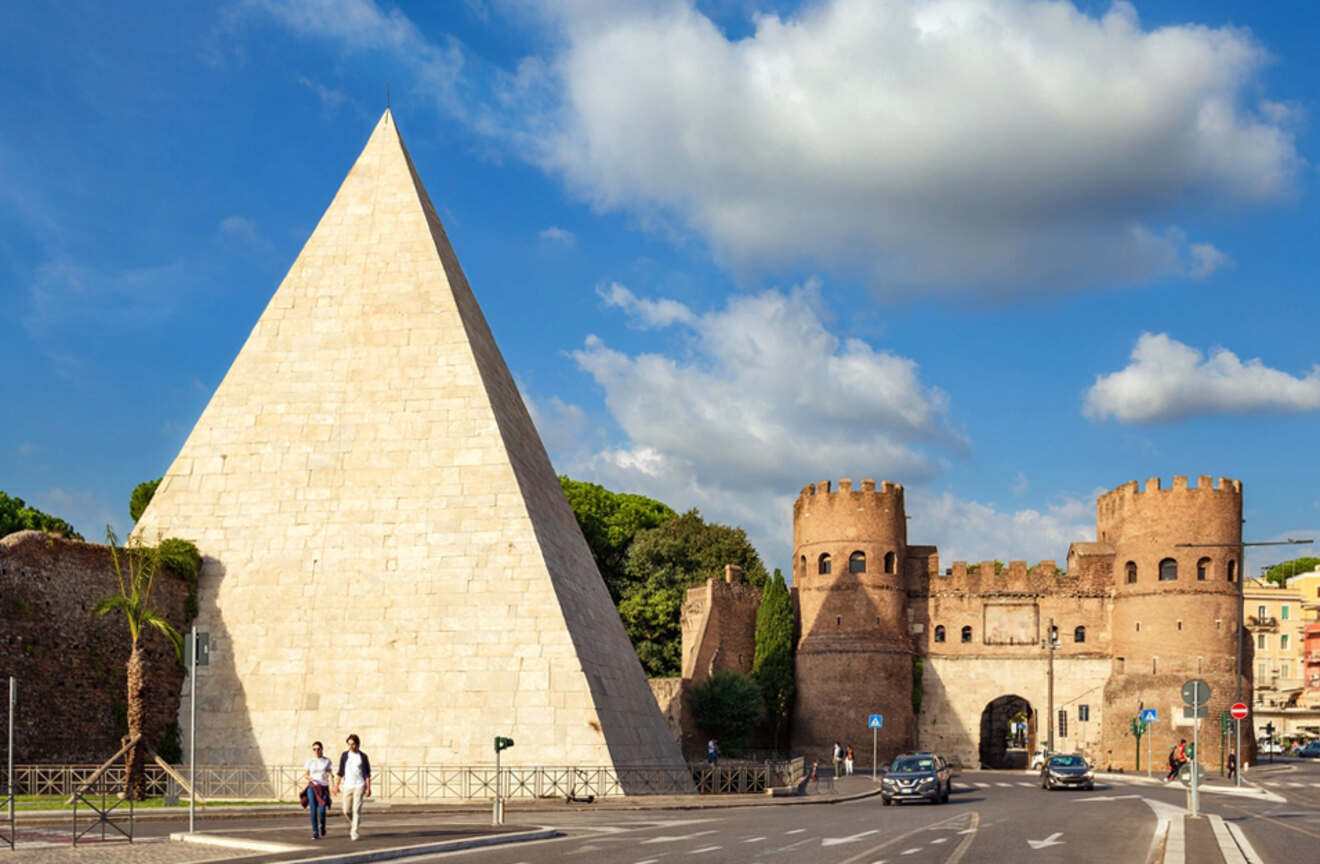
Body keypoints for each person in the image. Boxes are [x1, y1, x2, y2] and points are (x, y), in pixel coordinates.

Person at [334, 734, 372, 841]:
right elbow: (340, 772)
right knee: (346, 810)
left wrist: (368, 788)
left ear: (358, 744)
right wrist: (336, 786)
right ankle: (354, 823)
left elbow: (367, 774)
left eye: (353, 744)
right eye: (349, 744)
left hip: (359, 785)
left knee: (356, 810)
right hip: (347, 785)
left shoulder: (363, 757)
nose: (351, 746)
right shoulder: (345, 755)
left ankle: (354, 831)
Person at [303, 741, 332, 840]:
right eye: (314, 749)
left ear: (322, 749)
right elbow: (306, 774)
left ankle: (322, 825)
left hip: (323, 787)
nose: (316, 751)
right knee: (313, 809)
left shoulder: (326, 761)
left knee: (322, 810)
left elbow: (329, 772)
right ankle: (315, 831)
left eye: (318, 749)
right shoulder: (310, 761)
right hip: (312, 786)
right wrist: (309, 778)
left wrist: (331, 778)